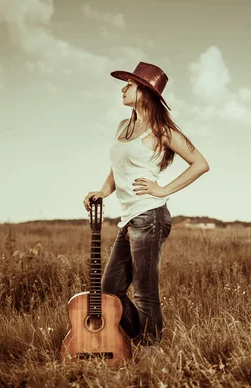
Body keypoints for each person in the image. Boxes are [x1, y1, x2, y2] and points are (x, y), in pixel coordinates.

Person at [82, 62, 210, 351]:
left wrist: (163, 189)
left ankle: (151, 353)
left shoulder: (161, 130)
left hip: (150, 215)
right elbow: (119, 167)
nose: (124, 88)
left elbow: (200, 164)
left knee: (144, 292)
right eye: (125, 83)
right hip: (129, 218)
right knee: (109, 291)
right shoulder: (123, 127)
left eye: (130, 84)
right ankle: (141, 341)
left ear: (146, 92)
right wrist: (103, 191)